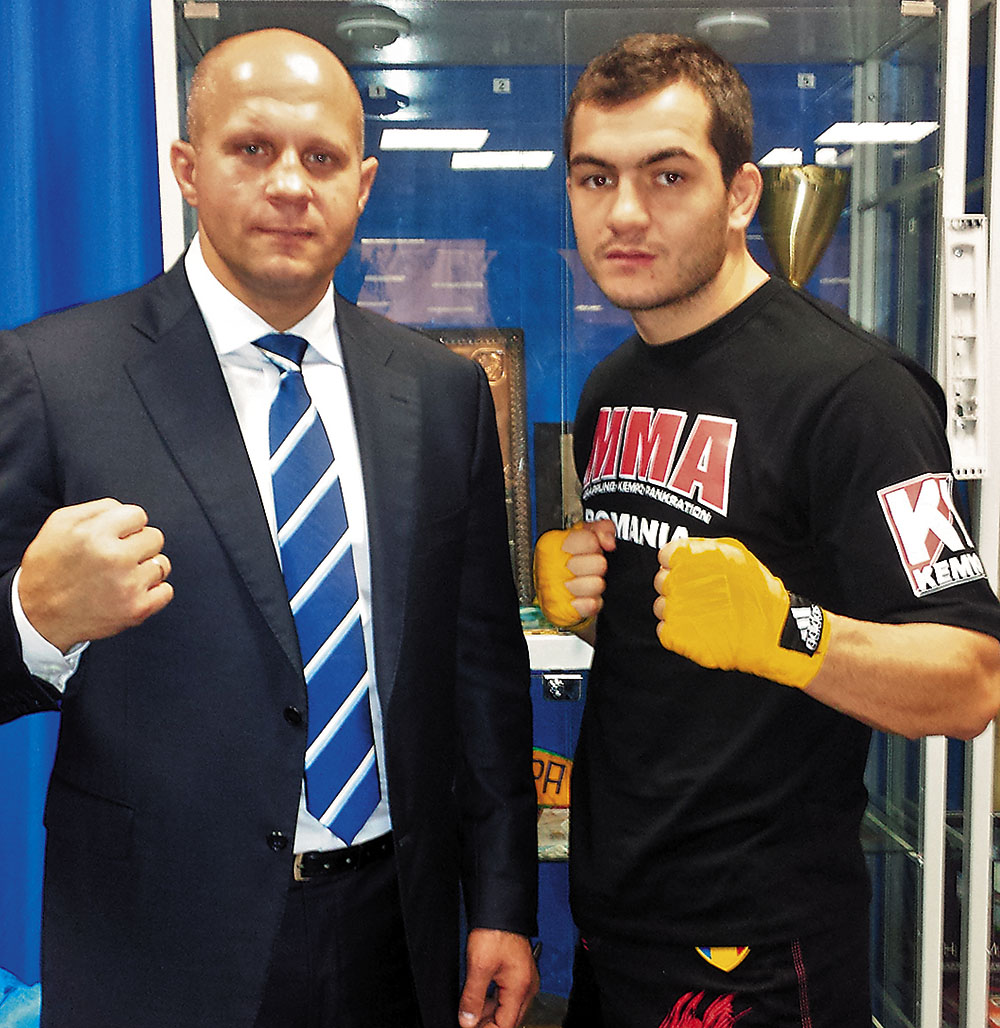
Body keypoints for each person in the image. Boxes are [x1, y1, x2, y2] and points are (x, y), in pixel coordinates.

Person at [0, 28, 539, 1028]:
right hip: (158, 946)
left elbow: (483, 680)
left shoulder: (442, 394)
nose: (290, 184)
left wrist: (503, 903)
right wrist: (35, 619)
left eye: (321, 157)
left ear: (362, 186)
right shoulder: (52, 375)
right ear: (187, 168)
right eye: (252, 148)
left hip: (396, 933)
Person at [533, 32, 1000, 1028]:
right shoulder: (613, 384)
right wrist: (587, 603)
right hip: (616, 915)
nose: (624, 212)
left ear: (741, 193)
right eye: (595, 177)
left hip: (755, 949)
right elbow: (685, 638)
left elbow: (970, 680)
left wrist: (790, 630)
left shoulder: (856, 394)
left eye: (667, 175)